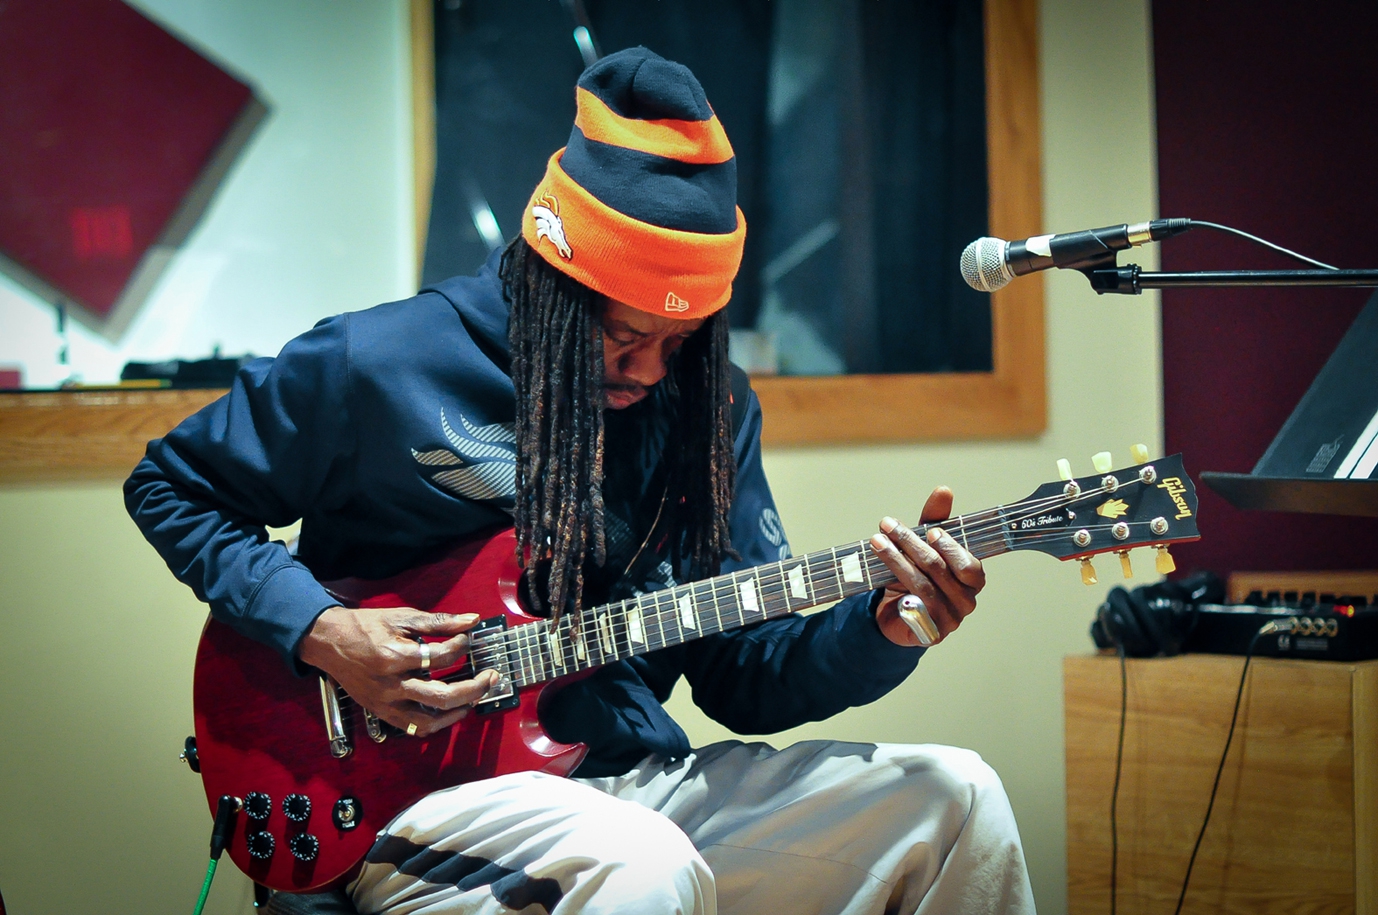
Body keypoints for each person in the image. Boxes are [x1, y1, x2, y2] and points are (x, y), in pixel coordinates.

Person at [126, 47, 1035, 915]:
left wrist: (882, 629)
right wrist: (320, 629)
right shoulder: (384, 360)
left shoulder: (710, 406)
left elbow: (742, 676)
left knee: (954, 796)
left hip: (629, 782)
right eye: (623, 336)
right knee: (640, 861)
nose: (649, 370)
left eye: (680, 341)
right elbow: (171, 485)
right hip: (414, 797)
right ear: (553, 285)